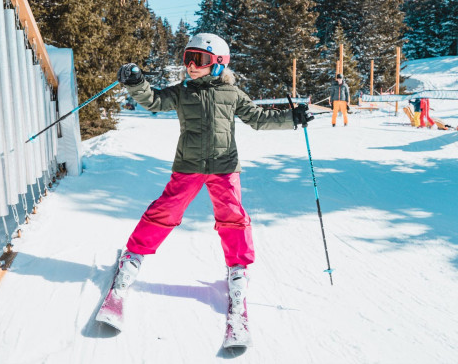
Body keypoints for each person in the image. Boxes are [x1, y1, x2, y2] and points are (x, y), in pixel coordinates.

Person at [109, 32, 313, 336]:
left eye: (199, 60)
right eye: (187, 58)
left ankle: (237, 270)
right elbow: (153, 101)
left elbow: (257, 118)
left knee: (233, 218)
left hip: (225, 167)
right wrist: (137, 82)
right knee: (165, 212)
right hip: (188, 166)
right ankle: (133, 257)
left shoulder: (231, 93)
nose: (191, 65)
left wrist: (292, 118)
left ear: (218, 63)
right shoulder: (182, 91)